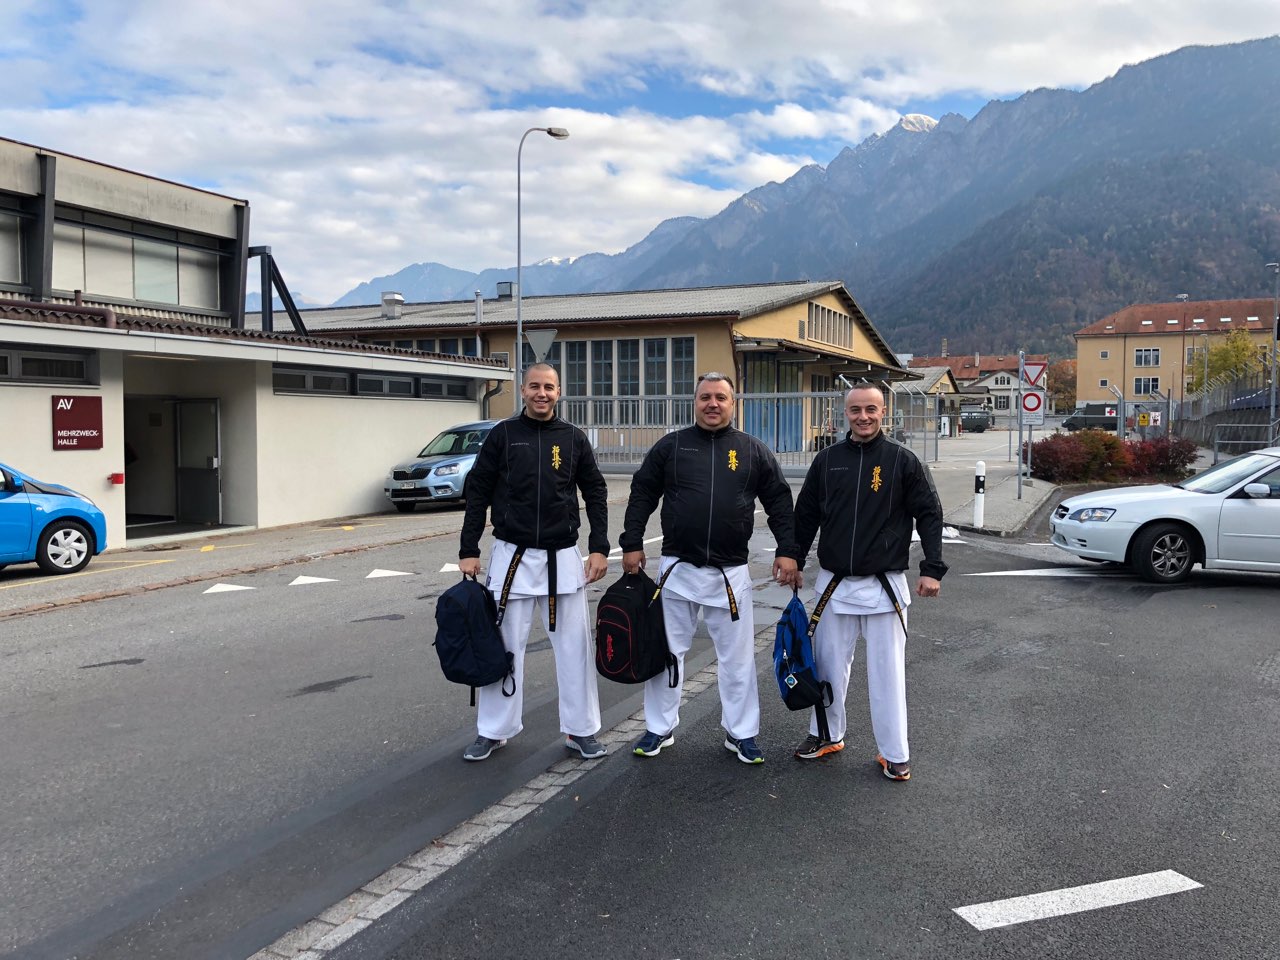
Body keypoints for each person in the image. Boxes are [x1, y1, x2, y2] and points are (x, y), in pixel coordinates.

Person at [620, 372, 801, 765]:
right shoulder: (672, 447)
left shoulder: (752, 450)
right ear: (695, 402)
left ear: (733, 403)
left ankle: (741, 733)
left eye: (721, 397)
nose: (713, 404)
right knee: (667, 653)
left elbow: (779, 502)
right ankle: (660, 727)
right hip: (677, 570)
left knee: (737, 661)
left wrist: (788, 550)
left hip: (729, 573)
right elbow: (642, 493)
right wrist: (631, 542)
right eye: (705, 397)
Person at [791, 381, 947, 780]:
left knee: (887, 675)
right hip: (834, 585)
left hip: (883, 586)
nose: (863, 417)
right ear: (846, 413)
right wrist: (793, 558)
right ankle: (826, 734)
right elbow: (806, 514)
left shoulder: (902, 460)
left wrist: (932, 568)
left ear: (883, 412)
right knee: (827, 669)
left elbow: (930, 514)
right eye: (856, 409)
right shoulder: (828, 460)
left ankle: (894, 752)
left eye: (871, 409)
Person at [458, 362, 610, 762]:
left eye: (549, 387)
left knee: (575, 649)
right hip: (512, 555)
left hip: (562, 556)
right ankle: (494, 730)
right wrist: (468, 549)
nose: (542, 393)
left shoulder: (573, 438)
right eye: (535, 387)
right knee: (504, 647)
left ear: (559, 392)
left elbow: (595, 492)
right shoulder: (503, 435)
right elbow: (478, 492)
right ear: (523, 391)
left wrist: (599, 546)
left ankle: (581, 730)